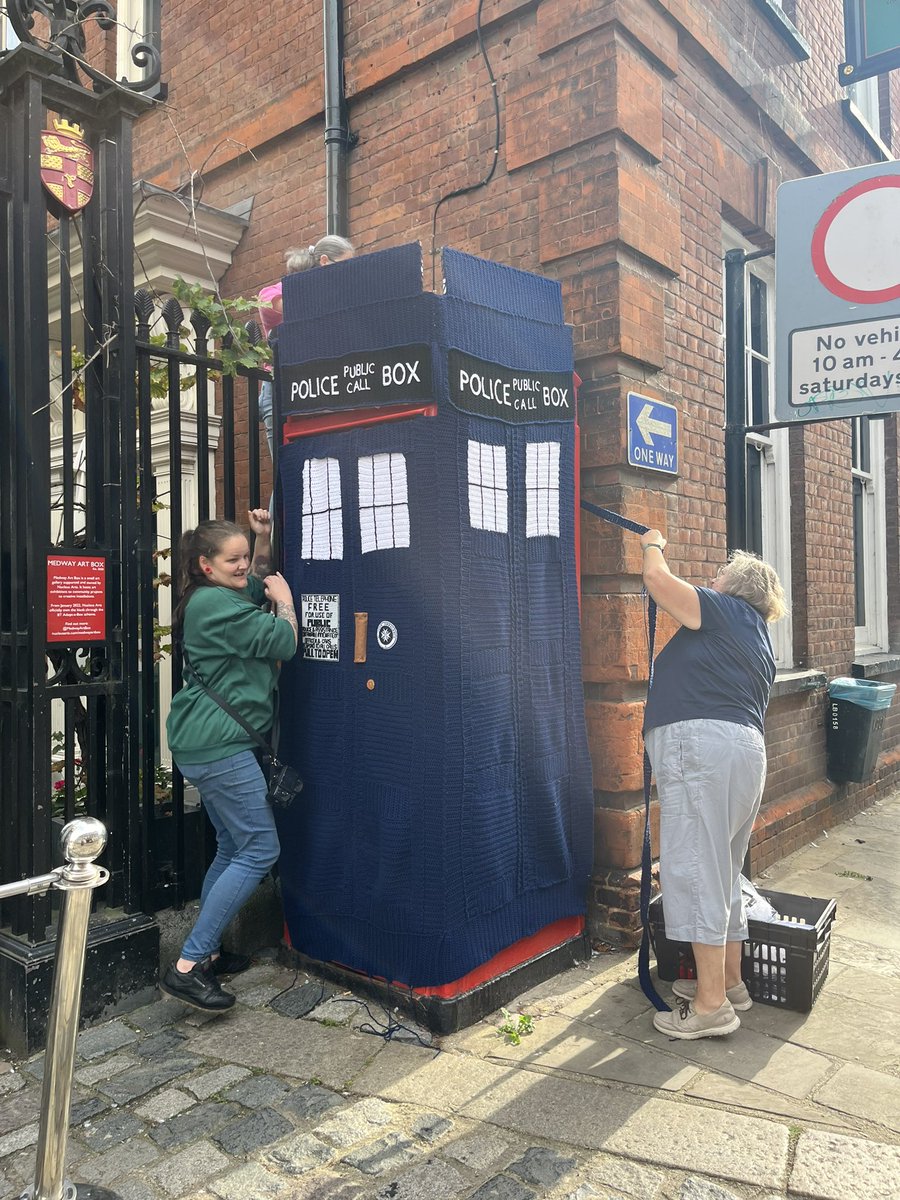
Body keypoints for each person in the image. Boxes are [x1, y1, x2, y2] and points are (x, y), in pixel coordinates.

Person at [640, 531, 787, 1041]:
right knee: (722, 872)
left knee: (698, 871)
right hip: (743, 754)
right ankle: (728, 982)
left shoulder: (725, 610)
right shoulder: (758, 641)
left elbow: (658, 581)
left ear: (734, 588)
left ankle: (710, 1006)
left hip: (702, 748)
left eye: (717, 576)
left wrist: (652, 543)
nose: (709, 581)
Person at [161, 509, 298, 1012]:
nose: (244, 566)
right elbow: (283, 640)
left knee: (229, 845)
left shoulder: (211, 596)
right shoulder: (213, 606)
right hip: (220, 746)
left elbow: (252, 585)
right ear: (205, 565)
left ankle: (209, 950)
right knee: (260, 848)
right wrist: (286, 605)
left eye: (244, 557)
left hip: (207, 742)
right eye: (233, 559)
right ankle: (188, 966)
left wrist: (261, 541)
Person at [257, 235, 355, 456]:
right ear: (324, 262)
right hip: (280, 390)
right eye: (344, 265)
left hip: (317, 389)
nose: (348, 273)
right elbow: (268, 301)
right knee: (286, 472)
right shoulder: (280, 291)